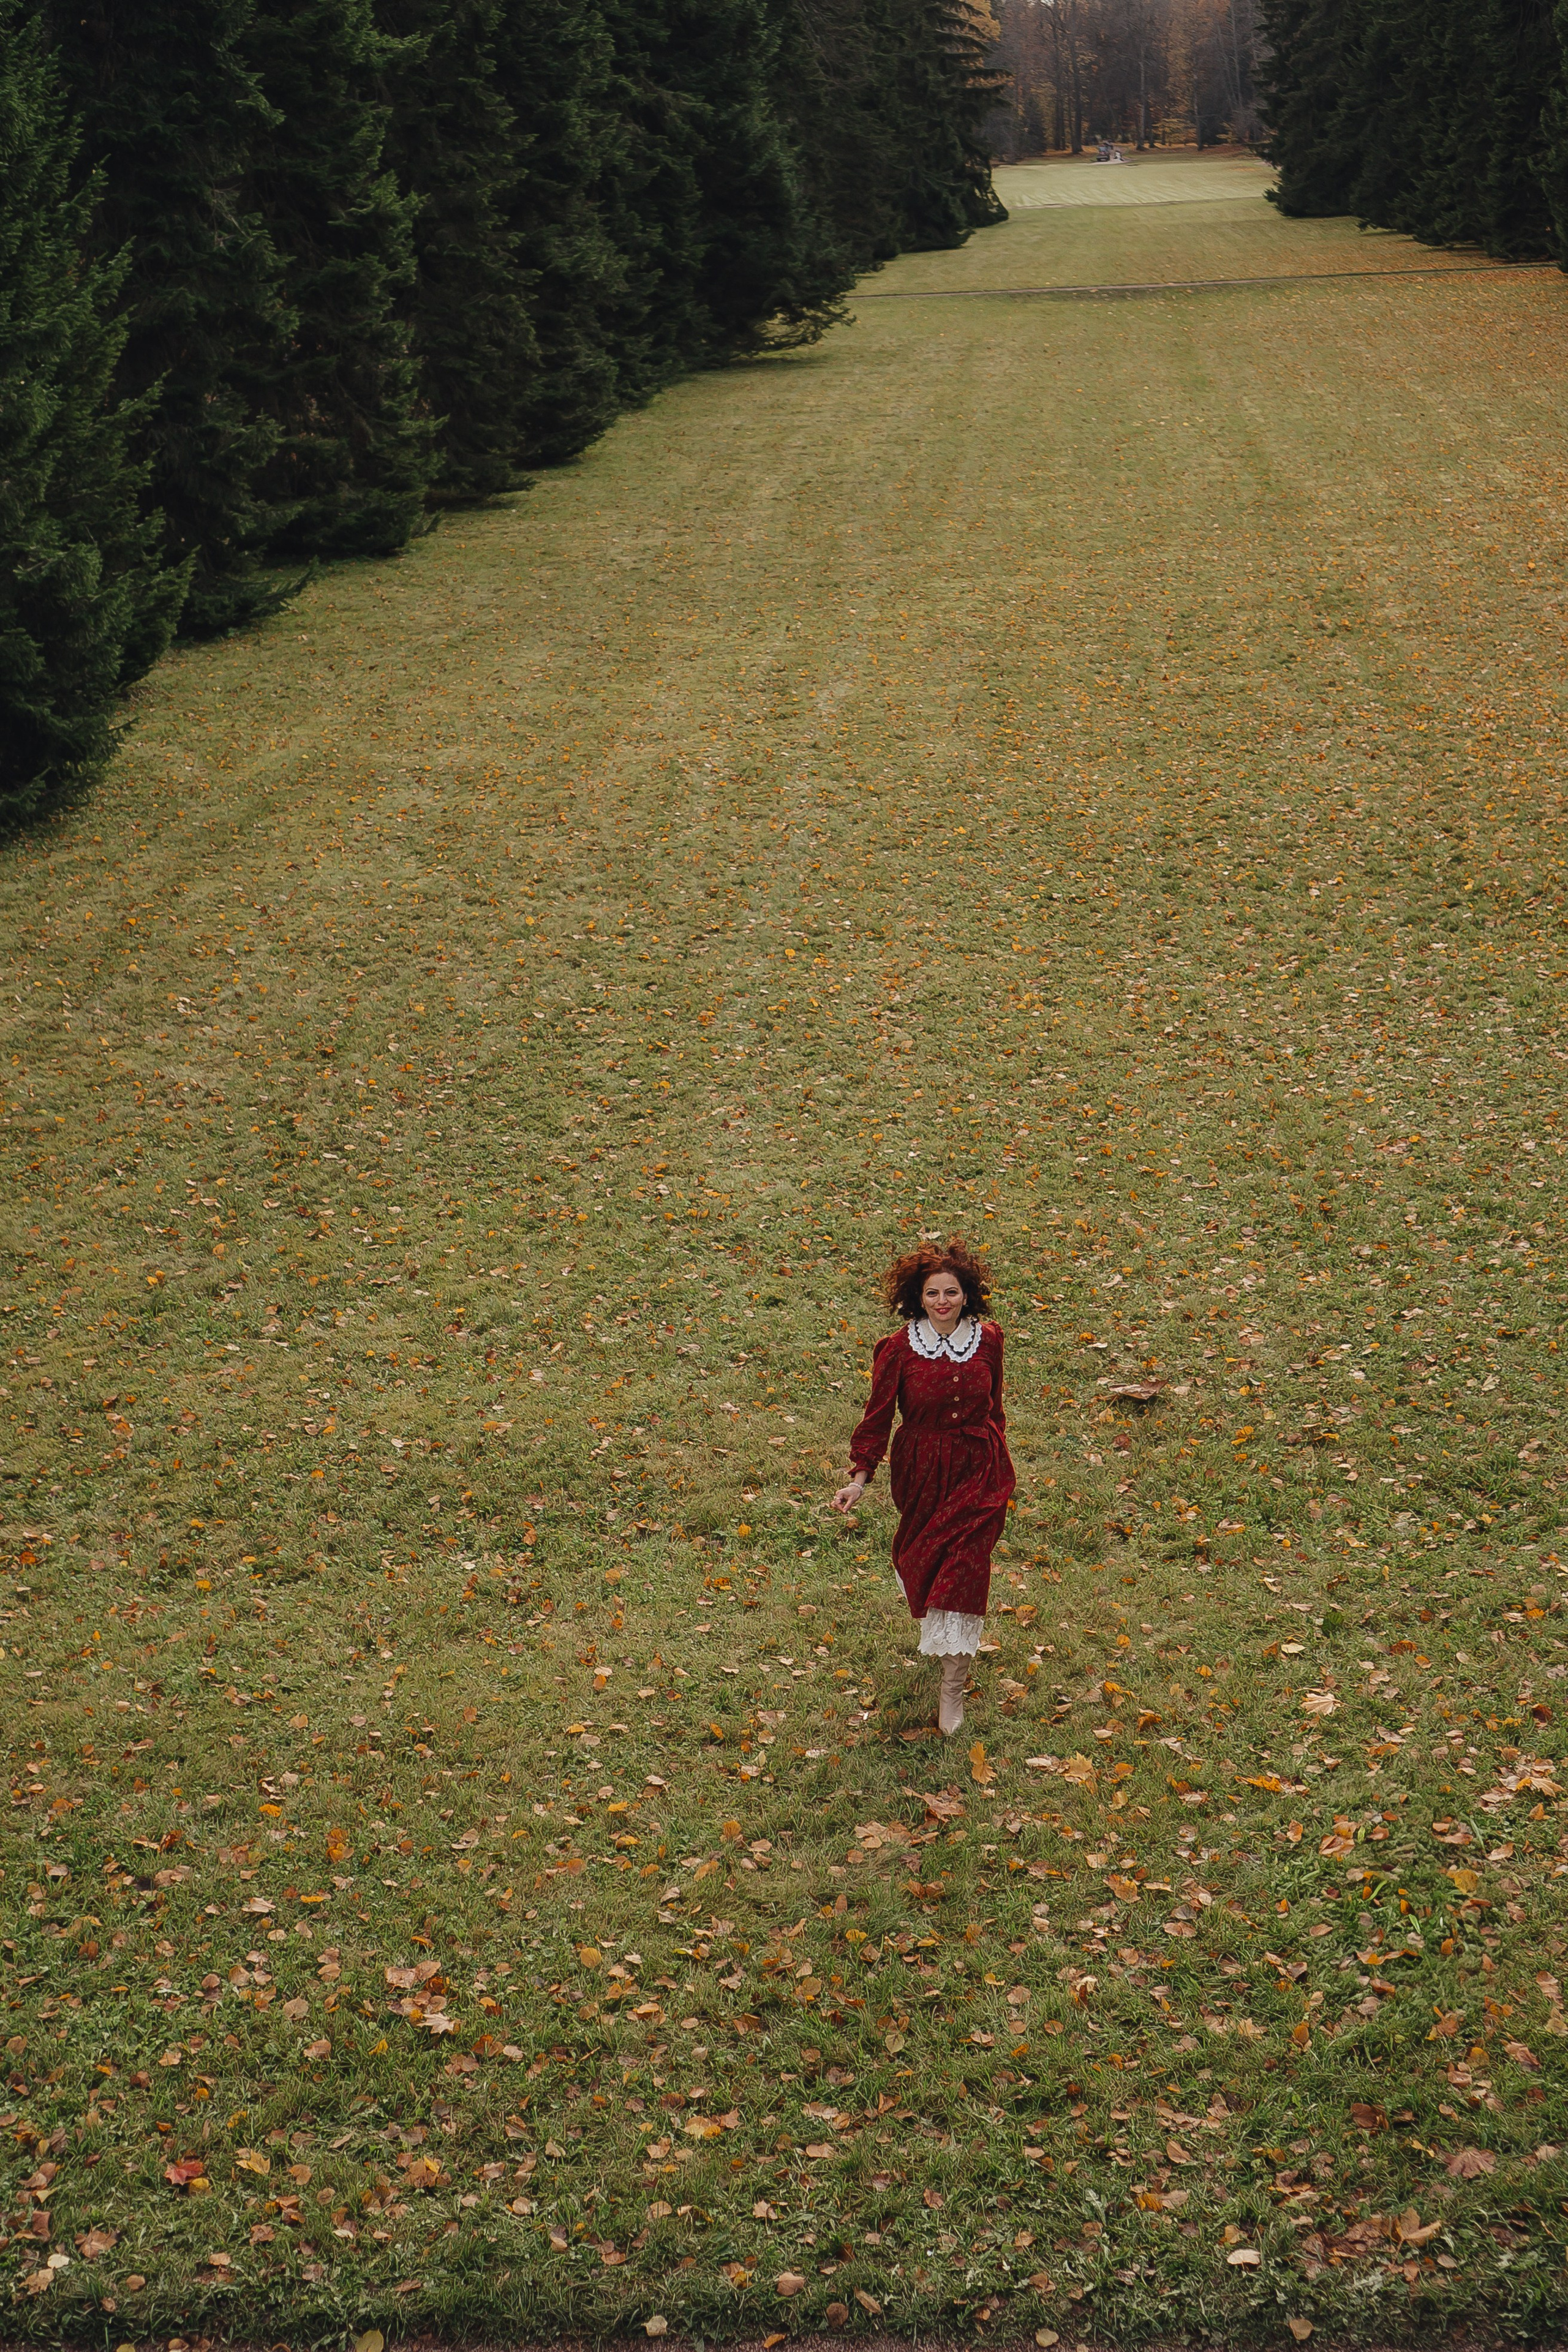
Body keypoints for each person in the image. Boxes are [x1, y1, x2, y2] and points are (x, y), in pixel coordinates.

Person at [831, 1240, 1016, 1735]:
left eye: (951, 1292)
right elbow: (877, 1418)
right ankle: (941, 1639)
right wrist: (860, 1478)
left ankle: (951, 1692)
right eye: (932, 1293)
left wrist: (998, 1461)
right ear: (918, 1297)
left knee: (965, 1570)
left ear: (966, 1294)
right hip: (922, 1474)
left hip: (979, 1469)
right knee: (925, 1566)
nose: (942, 1301)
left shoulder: (989, 1339)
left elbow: (995, 1406)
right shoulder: (897, 1349)